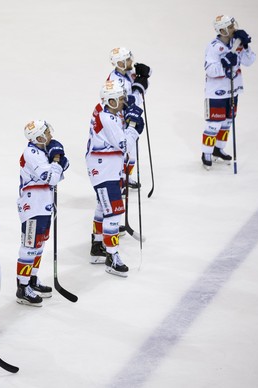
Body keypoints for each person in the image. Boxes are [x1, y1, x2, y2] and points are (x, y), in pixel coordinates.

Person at [85, 80, 144, 277]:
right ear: (110, 100)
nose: (123, 102)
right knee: (114, 211)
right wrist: (134, 127)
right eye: (120, 99)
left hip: (107, 166)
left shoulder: (106, 109)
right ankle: (112, 257)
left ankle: (97, 245)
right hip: (104, 169)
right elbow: (123, 144)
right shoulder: (107, 118)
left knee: (104, 207)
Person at [16, 120, 69, 306]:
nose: (50, 135)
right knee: (29, 246)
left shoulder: (41, 149)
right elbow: (51, 177)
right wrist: (56, 160)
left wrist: (58, 159)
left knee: (38, 245)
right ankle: (22, 287)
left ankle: (31, 278)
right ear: (38, 137)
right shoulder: (32, 153)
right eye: (46, 132)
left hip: (43, 204)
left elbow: (65, 165)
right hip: (33, 206)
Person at [201, 15, 256, 170]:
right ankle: (206, 153)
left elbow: (249, 61)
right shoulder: (213, 47)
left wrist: (245, 46)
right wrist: (225, 64)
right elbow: (210, 70)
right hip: (215, 93)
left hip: (233, 91)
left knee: (227, 123)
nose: (234, 29)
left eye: (233, 26)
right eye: (230, 27)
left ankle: (218, 149)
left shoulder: (236, 43)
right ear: (222, 30)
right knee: (214, 125)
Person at [106, 47, 152, 189]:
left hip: (131, 116)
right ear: (119, 63)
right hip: (120, 119)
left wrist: (145, 77)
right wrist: (139, 88)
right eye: (127, 59)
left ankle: (126, 177)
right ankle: (119, 180)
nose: (131, 61)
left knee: (132, 153)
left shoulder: (128, 72)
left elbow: (143, 82)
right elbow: (129, 101)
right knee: (124, 151)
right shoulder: (115, 81)